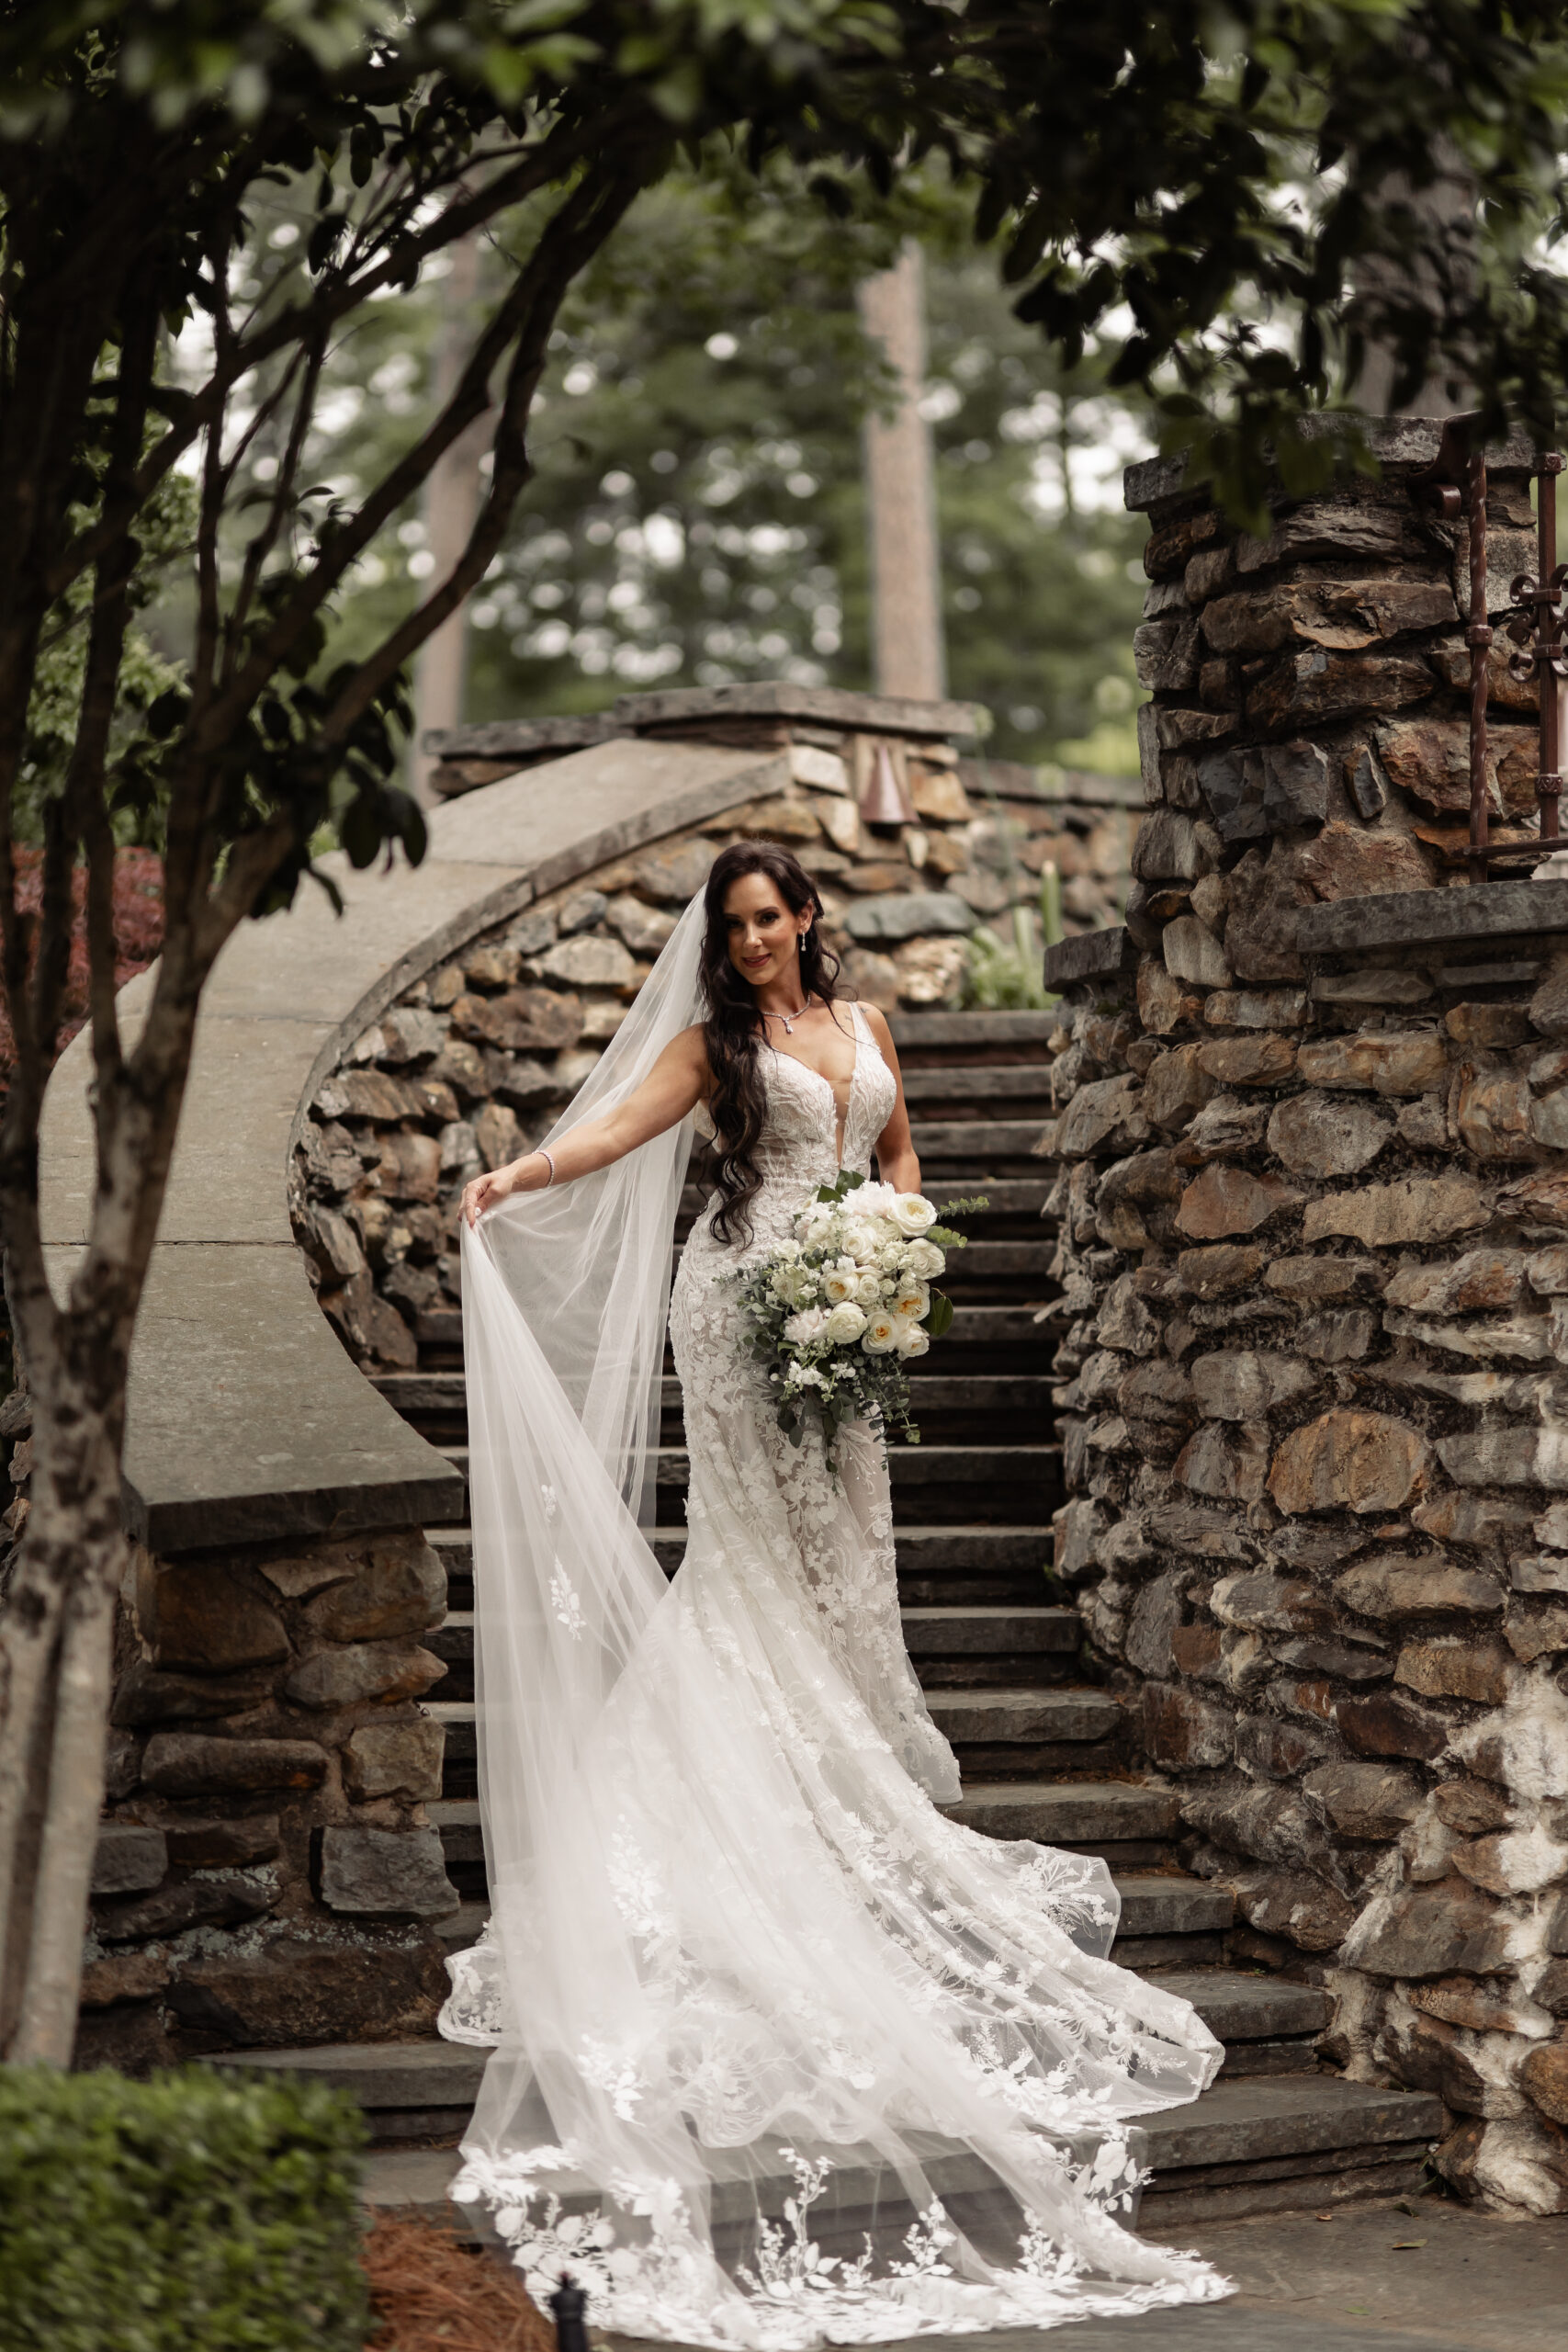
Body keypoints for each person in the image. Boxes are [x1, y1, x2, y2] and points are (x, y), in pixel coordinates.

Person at [439, 841, 1228, 2347]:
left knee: (843, 1563)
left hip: (848, 1328)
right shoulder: (712, 1048)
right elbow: (615, 1134)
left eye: (767, 918)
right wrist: (517, 1176)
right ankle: (749, 1793)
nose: (749, 942)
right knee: (750, 1560)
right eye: (729, 926)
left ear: (809, 918)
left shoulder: (867, 1032)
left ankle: (829, 1775)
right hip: (737, 1315)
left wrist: (898, 1260)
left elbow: (897, 1161)